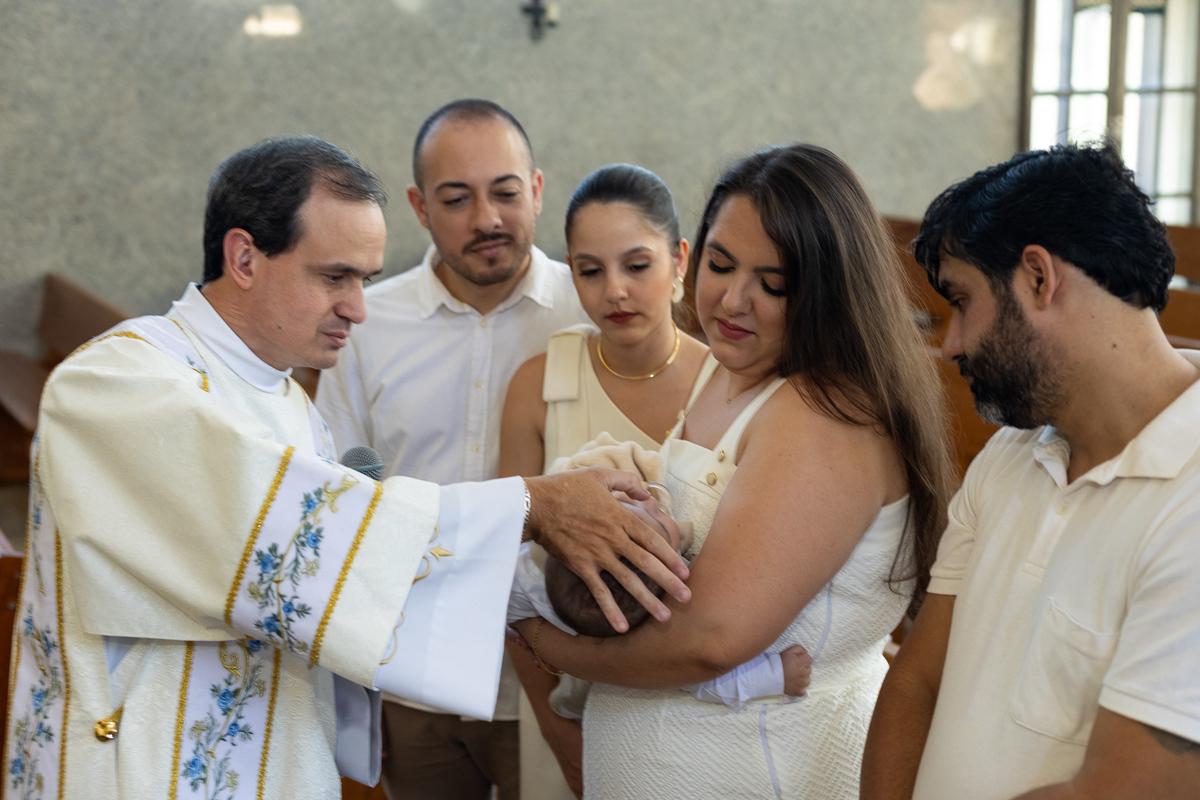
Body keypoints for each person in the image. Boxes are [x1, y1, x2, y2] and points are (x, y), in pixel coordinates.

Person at [3, 135, 690, 799]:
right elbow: (286, 542)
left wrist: (571, 575)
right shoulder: (118, 381)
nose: (358, 309)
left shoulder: (292, 407)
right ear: (244, 257)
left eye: (365, 279)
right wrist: (531, 506)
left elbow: (354, 575)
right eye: (335, 277)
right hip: (146, 765)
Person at [512, 144, 953, 799]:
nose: (731, 301)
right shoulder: (727, 368)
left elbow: (709, 639)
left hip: (761, 769)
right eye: (721, 264)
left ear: (828, 292)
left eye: (772, 283)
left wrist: (540, 635)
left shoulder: (825, 414)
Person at [860, 142, 1200, 799]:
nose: (950, 342)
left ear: (1039, 278)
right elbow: (916, 683)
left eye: (961, 302)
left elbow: (1116, 790)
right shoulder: (1013, 455)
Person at [314, 99, 590, 800]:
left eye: (504, 192)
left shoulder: (588, 314)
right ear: (418, 206)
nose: (487, 219)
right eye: (457, 198)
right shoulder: (370, 328)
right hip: (414, 678)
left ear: (536, 188)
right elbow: (337, 498)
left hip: (558, 683)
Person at [498, 163, 710, 798]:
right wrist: (555, 729)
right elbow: (505, 575)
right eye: (590, 270)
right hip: (568, 701)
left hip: (702, 703)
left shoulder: (726, 383)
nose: (614, 290)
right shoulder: (538, 385)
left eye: (637, 265)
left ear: (679, 262)